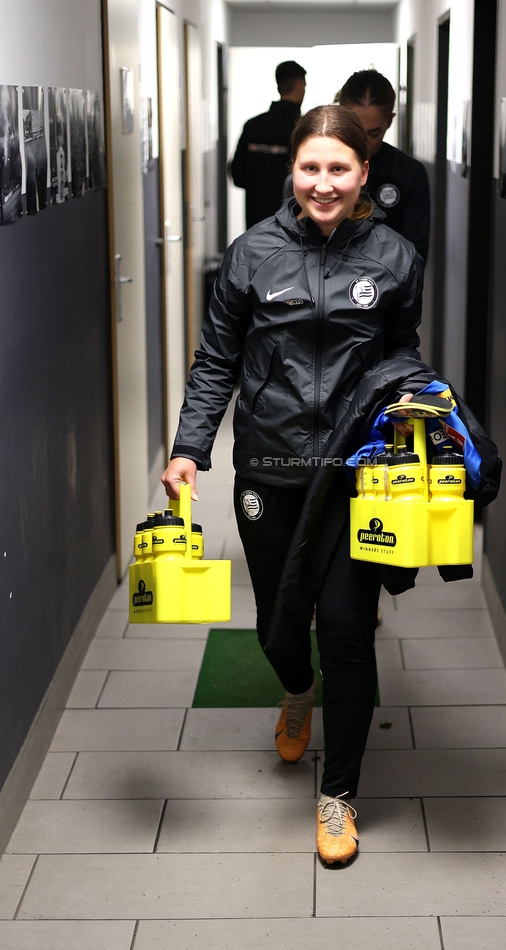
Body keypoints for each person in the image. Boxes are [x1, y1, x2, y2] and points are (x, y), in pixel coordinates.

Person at [162, 105, 424, 865]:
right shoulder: (252, 253)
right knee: (281, 626)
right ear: (293, 171)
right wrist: (189, 449)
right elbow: (216, 362)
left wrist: (413, 405)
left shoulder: (395, 257)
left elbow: (401, 351)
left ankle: (337, 797)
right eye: (310, 168)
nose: (323, 182)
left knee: (346, 626)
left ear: (363, 172)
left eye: (339, 168)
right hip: (269, 466)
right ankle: (295, 686)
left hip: (354, 475)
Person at [337, 68, 431, 262]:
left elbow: (415, 254)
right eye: (355, 130)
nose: (363, 142)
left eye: (374, 134)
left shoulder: (409, 172)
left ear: (389, 121)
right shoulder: (319, 169)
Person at [231, 60, 307, 228]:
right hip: (293, 225)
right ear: (300, 86)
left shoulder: (253, 126)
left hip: (255, 224)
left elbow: (237, 175)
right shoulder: (303, 131)